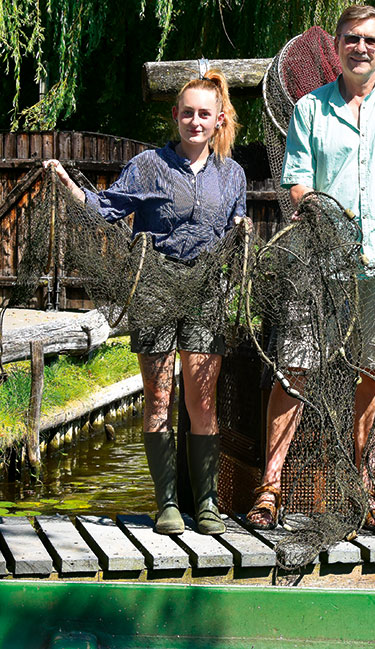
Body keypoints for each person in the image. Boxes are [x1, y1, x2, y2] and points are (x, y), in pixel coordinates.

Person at [246, 4, 375, 530]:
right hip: (318, 267)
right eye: (351, 39)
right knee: (294, 370)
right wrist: (314, 208)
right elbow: (296, 182)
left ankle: (364, 488)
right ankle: (270, 487)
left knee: (372, 373)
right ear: (336, 46)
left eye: (371, 40)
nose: (361, 48)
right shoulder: (309, 109)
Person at [45, 70, 247, 535]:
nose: (196, 122)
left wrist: (241, 233)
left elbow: (235, 227)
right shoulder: (148, 165)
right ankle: (168, 505)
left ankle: (209, 503)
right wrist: (65, 184)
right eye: (188, 114)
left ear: (218, 120)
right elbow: (104, 208)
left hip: (205, 294)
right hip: (154, 290)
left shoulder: (232, 174)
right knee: (158, 398)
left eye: (205, 115)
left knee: (203, 402)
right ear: (176, 117)